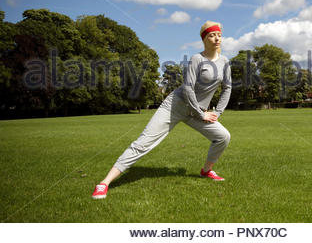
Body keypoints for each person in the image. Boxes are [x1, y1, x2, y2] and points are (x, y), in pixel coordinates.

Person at [92, 21, 232, 199]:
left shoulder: (224, 62)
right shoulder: (197, 59)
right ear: (204, 39)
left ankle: (206, 171)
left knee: (223, 137)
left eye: (219, 34)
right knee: (143, 143)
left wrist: (217, 113)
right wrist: (200, 113)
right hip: (176, 106)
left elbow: (227, 88)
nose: (216, 38)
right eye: (212, 35)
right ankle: (104, 183)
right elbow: (188, 89)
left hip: (198, 112)